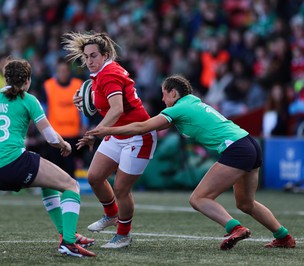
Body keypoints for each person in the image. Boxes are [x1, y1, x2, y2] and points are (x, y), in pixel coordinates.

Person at [87, 74, 296, 250]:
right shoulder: (192, 103)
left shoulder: (177, 109)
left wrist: (107, 130)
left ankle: (235, 228)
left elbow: (142, 127)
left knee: (198, 198)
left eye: (164, 93)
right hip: (250, 143)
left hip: (237, 149)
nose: (162, 99)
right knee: (245, 203)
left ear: (174, 93)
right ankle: (284, 237)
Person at [0, 58, 96, 257]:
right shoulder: (28, 99)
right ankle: (69, 243)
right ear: (28, 79)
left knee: (50, 183)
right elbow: (49, 137)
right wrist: (64, 144)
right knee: (70, 185)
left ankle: (67, 233)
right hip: (14, 163)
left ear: (5, 78)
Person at [62, 31, 157, 248]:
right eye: (86, 57)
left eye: (93, 56)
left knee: (121, 189)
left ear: (105, 55)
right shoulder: (99, 75)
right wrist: (86, 101)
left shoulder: (109, 74)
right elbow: (104, 104)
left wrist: (97, 131)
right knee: (95, 177)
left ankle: (123, 235)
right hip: (118, 131)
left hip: (138, 136)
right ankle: (112, 215)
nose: (89, 61)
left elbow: (117, 108)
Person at [41, 57, 87, 178]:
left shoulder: (78, 85)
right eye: (60, 70)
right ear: (56, 71)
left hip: (73, 132)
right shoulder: (48, 85)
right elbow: (43, 109)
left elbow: (83, 108)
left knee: (70, 166)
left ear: (69, 71)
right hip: (55, 133)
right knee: (55, 165)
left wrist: (84, 124)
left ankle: (71, 191)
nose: (63, 73)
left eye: (65, 70)